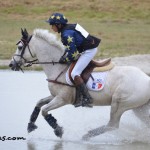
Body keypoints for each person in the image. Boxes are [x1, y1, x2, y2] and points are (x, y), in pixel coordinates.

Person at [46, 12, 101, 107]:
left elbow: (73, 52)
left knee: (74, 73)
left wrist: (65, 59)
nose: (51, 27)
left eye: (52, 25)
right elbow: (71, 46)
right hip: (87, 48)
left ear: (58, 25)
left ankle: (87, 98)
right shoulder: (70, 27)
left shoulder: (66, 34)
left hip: (88, 51)